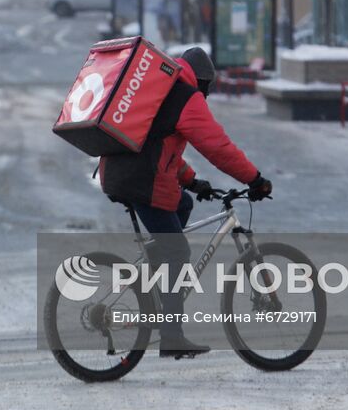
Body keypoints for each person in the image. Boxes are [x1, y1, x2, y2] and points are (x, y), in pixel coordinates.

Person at [97, 46, 272, 359]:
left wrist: (191, 181)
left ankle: (156, 284)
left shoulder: (162, 89)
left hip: (123, 174)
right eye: (207, 88)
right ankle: (171, 334)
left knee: (182, 205)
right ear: (202, 80)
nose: (205, 95)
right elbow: (218, 146)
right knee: (178, 251)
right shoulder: (186, 96)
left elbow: (158, 149)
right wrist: (254, 179)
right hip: (142, 182)